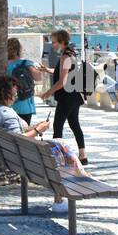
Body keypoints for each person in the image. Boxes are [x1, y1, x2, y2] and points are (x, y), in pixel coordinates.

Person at [0, 75, 93, 210]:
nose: (16, 96)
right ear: (3, 93)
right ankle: (75, 182)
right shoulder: (6, 113)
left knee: (58, 144)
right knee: (60, 147)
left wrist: (35, 127)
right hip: (28, 158)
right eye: (13, 93)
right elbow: (18, 138)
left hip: (16, 157)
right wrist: (38, 130)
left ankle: (76, 179)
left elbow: (16, 133)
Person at [37, 29, 88, 165]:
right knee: (74, 124)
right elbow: (64, 73)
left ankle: (56, 158)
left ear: (61, 42)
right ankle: (83, 156)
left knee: (57, 125)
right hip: (74, 96)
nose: (52, 45)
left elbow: (62, 81)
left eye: (54, 42)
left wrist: (47, 93)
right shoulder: (71, 54)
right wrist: (47, 70)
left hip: (67, 97)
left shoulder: (66, 57)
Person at [5, 37, 48, 126]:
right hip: (26, 105)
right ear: (19, 49)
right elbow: (39, 78)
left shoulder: (4, 65)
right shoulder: (26, 63)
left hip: (9, 104)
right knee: (24, 130)